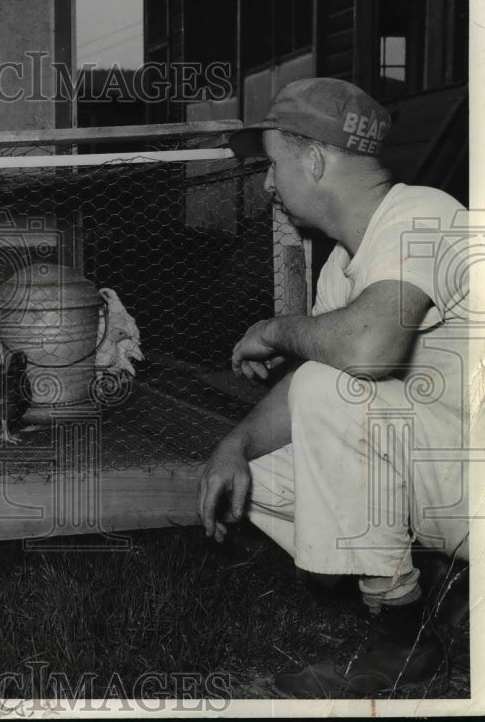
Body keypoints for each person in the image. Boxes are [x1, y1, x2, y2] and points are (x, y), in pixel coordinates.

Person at [198, 78, 470, 698]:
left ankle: (403, 641)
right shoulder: (343, 264)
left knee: (329, 390)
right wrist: (233, 445)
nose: (268, 184)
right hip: (447, 475)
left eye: (273, 165)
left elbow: (366, 354)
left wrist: (274, 328)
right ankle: (434, 584)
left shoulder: (421, 213)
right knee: (253, 479)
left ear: (314, 160)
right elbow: (309, 390)